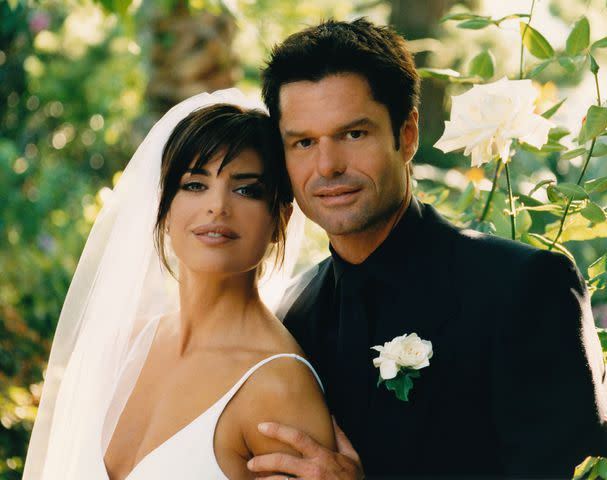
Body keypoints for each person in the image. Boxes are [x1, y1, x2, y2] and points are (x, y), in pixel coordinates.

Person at [246, 18, 607, 479]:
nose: (327, 165)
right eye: (303, 142)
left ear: (408, 134)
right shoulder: (293, 313)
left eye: (354, 134)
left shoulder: (524, 288)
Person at [23, 90, 335, 480]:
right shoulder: (128, 345)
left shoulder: (278, 387)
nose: (218, 206)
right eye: (194, 185)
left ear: (280, 220)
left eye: (246, 189)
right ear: (164, 209)